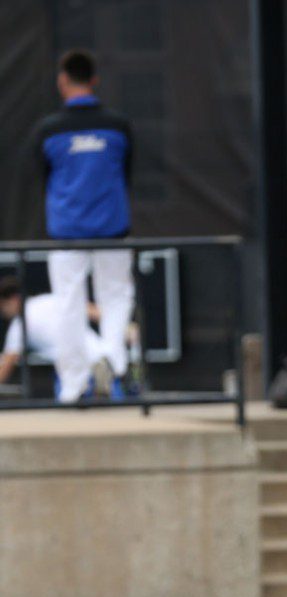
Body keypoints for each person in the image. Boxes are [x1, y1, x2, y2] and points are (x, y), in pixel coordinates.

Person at [30, 49, 135, 402]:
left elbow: (42, 177)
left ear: (62, 82)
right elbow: (126, 172)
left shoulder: (49, 130)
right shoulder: (117, 126)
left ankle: (74, 386)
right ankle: (113, 367)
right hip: (113, 230)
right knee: (116, 298)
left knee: (69, 305)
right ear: (94, 81)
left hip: (66, 234)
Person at [0, 278, 115, 392]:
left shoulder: (19, 325)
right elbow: (93, 311)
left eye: (2, 306)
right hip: (103, 356)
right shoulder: (50, 299)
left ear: (14, 299)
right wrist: (125, 329)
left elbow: (6, 366)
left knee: (68, 404)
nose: (2, 312)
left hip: (74, 372)